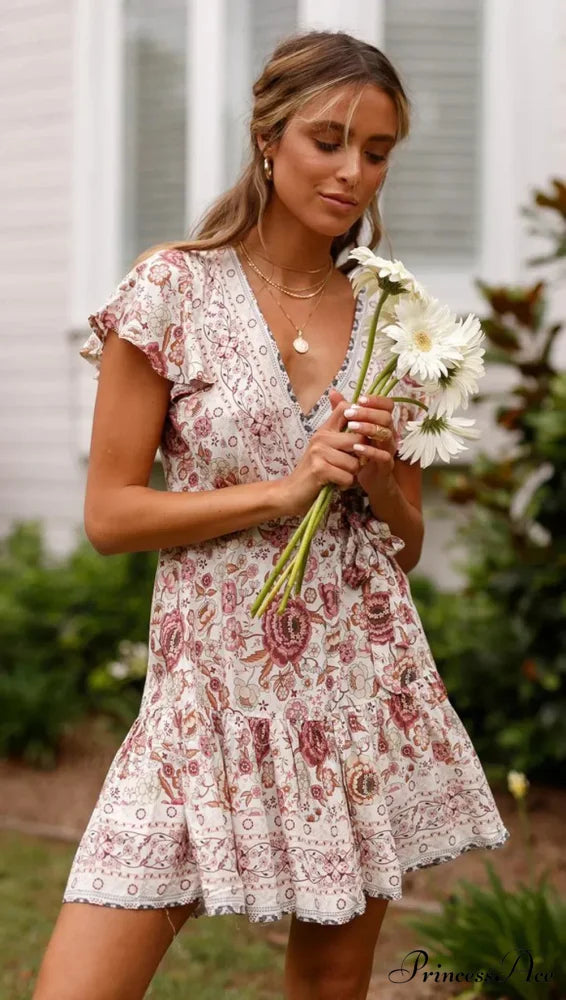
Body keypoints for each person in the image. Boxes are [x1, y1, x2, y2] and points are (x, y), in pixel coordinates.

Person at [33, 28, 509, 1000]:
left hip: (355, 693)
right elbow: (112, 515)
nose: (351, 171)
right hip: (203, 705)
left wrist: (376, 478)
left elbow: (405, 545)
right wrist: (283, 491)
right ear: (268, 136)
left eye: (375, 152)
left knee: (328, 987)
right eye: (327, 139)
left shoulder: (390, 318)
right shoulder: (172, 287)